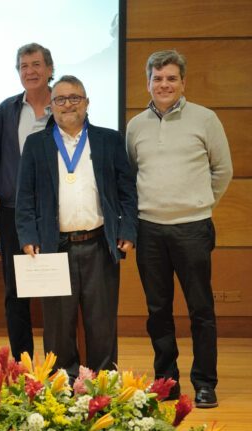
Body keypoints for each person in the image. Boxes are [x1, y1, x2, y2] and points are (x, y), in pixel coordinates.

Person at [126, 50, 232, 408]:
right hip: (149, 231)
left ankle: (205, 383)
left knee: (200, 309)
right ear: (148, 83)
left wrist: (199, 203)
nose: (164, 84)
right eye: (158, 78)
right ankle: (166, 380)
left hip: (192, 229)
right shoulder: (136, 126)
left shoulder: (206, 119)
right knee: (158, 311)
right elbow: (131, 174)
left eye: (171, 78)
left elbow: (223, 171)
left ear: (183, 82)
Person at [16, 75, 137, 379]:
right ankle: (62, 384)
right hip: (54, 247)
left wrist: (128, 230)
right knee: (58, 325)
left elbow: (127, 192)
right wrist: (28, 236)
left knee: (101, 321)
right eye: (60, 99)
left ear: (87, 103)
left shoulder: (109, 140)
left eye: (74, 98)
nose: (67, 104)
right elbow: (25, 197)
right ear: (51, 107)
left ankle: (103, 383)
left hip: (100, 244)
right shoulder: (36, 144)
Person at [0, 43, 55, 360]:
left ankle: (57, 363)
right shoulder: (6, 110)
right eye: (23, 66)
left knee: (53, 290)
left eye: (35, 64)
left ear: (49, 69)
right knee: (15, 292)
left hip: (55, 214)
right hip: (12, 214)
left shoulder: (65, 106)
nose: (29, 71)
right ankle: (22, 363)